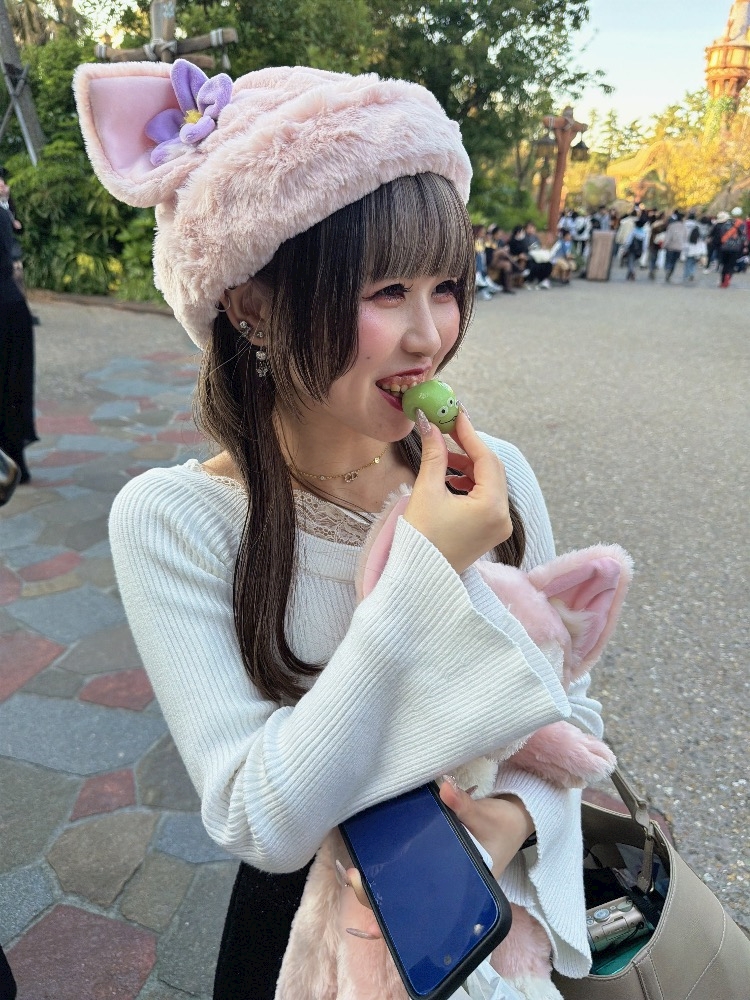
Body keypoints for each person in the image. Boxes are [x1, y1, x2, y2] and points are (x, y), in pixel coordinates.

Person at [75, 60, 607, 1000]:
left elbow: (575, 714)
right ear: (253, 305)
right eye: (387, 290)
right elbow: (258, 819)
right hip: (307, 942)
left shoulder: (499, 477)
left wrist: (513, 822)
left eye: (446, 287)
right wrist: (424, 572)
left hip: (501, 917)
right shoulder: (177, 520)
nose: (429, 336)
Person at [0, 193, 36, 484]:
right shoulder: (1, 214)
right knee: (13, 386)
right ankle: (15, 464)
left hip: (7, 310)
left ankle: (11, 464)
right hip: (11, 307)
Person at [718, 209, 746, 288]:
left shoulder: (726, 223)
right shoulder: (741, 224)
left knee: (724, 265)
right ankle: (728, 277)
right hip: (735, 248)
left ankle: (722, 281)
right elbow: (743, 237)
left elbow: (721, 234)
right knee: (731, 265)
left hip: (725, 247)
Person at [621, 214, 648, 281]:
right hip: (639, 250)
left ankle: (631, 272)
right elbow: (645, 243)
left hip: (632, 249)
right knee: (634, 262)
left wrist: (625, 247)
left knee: (630, 261)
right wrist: (644, 250)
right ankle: (630, 273)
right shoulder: (644, 233)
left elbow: (628, 240)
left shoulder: (633, 231)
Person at [662, 210, 686, 283]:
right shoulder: (683, 227)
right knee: (674, 261)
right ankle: (670, 272)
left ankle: (668, 269)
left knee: (668, 260)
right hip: (679, 247)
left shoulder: (671, 226)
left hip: (670, 246)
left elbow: (668, 237)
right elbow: (685, 237)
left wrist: (664, 245)